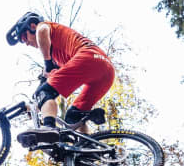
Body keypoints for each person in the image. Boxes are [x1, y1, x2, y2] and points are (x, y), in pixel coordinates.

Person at [6, 12, 114, 146]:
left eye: (24, 37)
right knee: (74, 115)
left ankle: (49, 128)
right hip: (107, 71)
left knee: (44, 93)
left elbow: (43, 31)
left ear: (32, 26)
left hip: (88, 56)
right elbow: (46, 95)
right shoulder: (59, 56)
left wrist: (47, 62)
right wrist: (34, 106)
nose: (26, 43)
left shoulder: (43, 27)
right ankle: (87, 148)